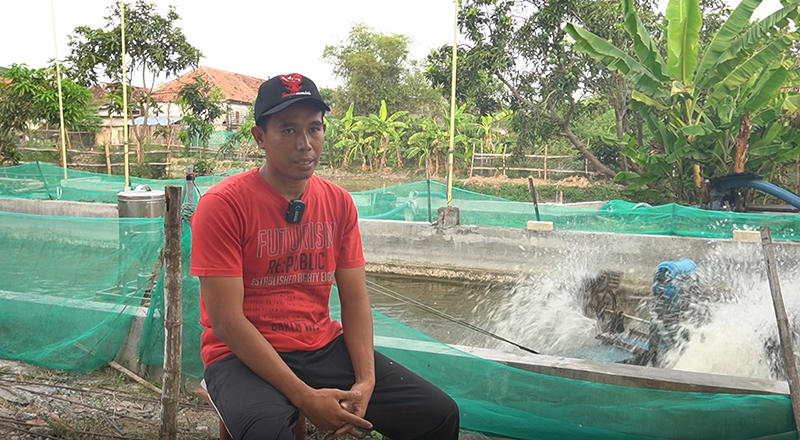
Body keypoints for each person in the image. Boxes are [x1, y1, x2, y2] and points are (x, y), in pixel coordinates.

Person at [190, 73, 460, 440]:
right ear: (259, 137)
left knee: (439, 415)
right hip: (240, 355)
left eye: (314, 128)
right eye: (288, 130)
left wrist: (365, 382)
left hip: (320, 346)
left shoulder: (338, 202)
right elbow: (227, 321)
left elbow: (355, 299)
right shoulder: (223, 205)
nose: (305, 144)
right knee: (267, 432)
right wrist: (305, 397)